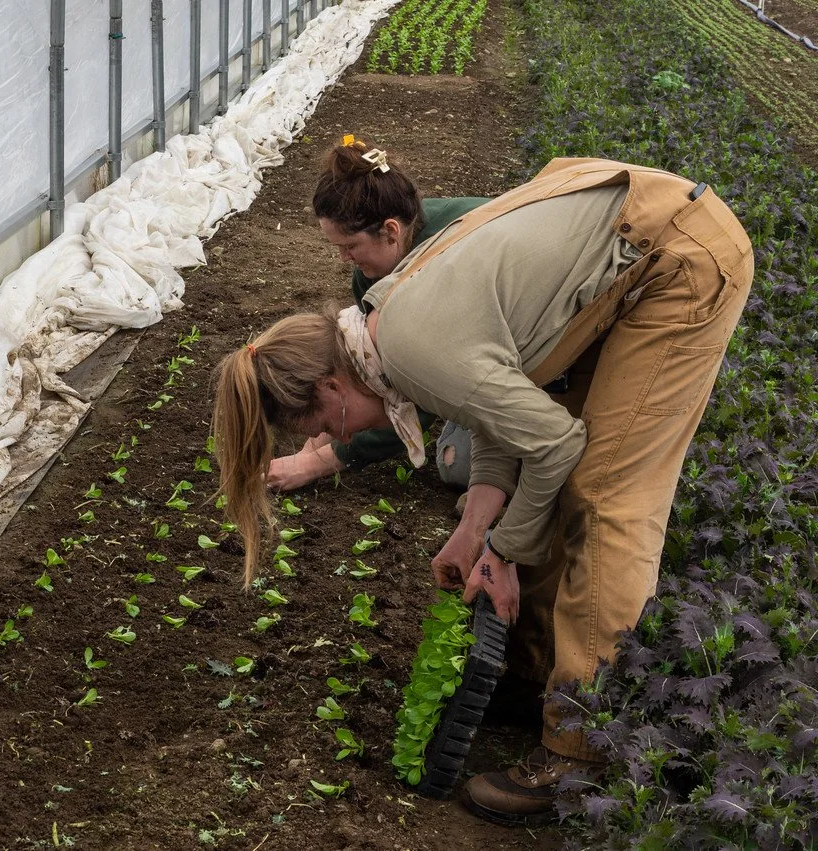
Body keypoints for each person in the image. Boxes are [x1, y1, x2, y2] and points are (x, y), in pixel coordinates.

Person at [212, 157, 752, 824]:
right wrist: (476, 530)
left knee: (603, 497)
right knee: (553, 479)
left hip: (678, 257)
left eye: (323, 427)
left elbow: (553, 443)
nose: (332, 440)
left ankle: (581, 750)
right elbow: (501, 401)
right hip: (643, 228)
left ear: (329, 386)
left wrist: (506, 546)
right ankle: (538, 678)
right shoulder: (383, 321)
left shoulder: (410, 346)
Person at [267, 138, 489, 494]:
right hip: (476, 360)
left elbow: (421, 395)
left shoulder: (446, 263)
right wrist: (322, 433)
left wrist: (318, 462)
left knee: (457, 465)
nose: (343, 258)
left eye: (350, 246)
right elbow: (367, 374)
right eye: (337, 247)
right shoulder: (372, 271)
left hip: (552, 353)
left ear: (390, 230)